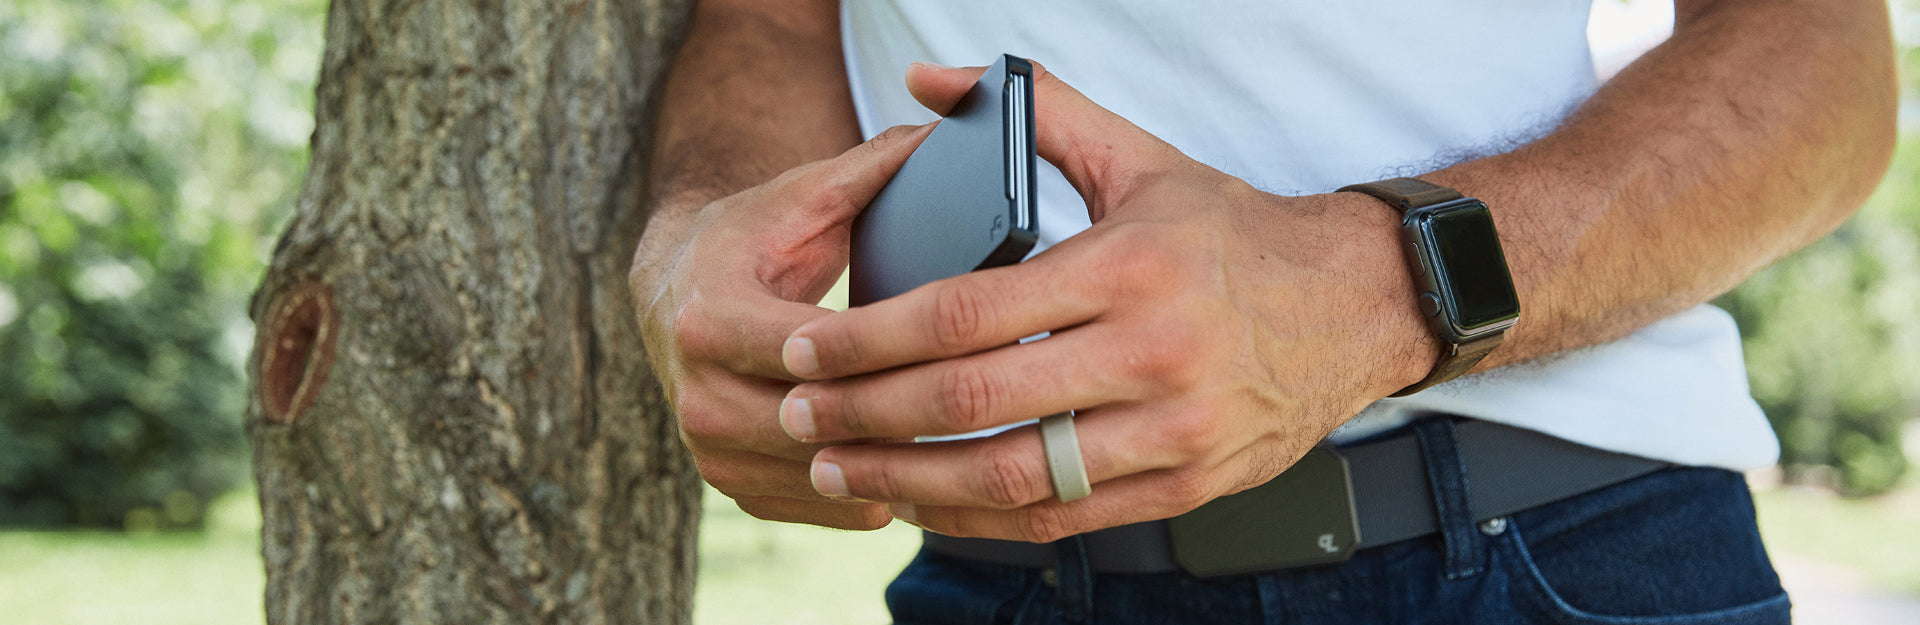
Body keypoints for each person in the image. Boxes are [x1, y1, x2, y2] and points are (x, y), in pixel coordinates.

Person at [628, 1, 1895, 623]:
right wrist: (699, 242)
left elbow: (1820, 69)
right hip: (1013, 575)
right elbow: (769, 21)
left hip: (1558, 541)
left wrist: (1369, 291)